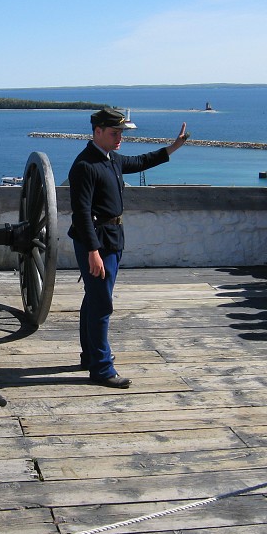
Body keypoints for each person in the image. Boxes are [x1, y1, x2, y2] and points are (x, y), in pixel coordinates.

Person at [68, 107, 189, 388]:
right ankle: (102, 368)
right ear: (97, 132)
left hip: (111, 238)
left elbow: (140, 161)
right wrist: (93, 251)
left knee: (94, 298)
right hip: (98, 241)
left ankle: (89, 356)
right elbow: (81, 213)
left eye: (121, 132)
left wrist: (174, 147)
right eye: (114, 132)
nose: (120, 137)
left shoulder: (109, 159)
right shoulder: (85, 165)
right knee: (101, 304)